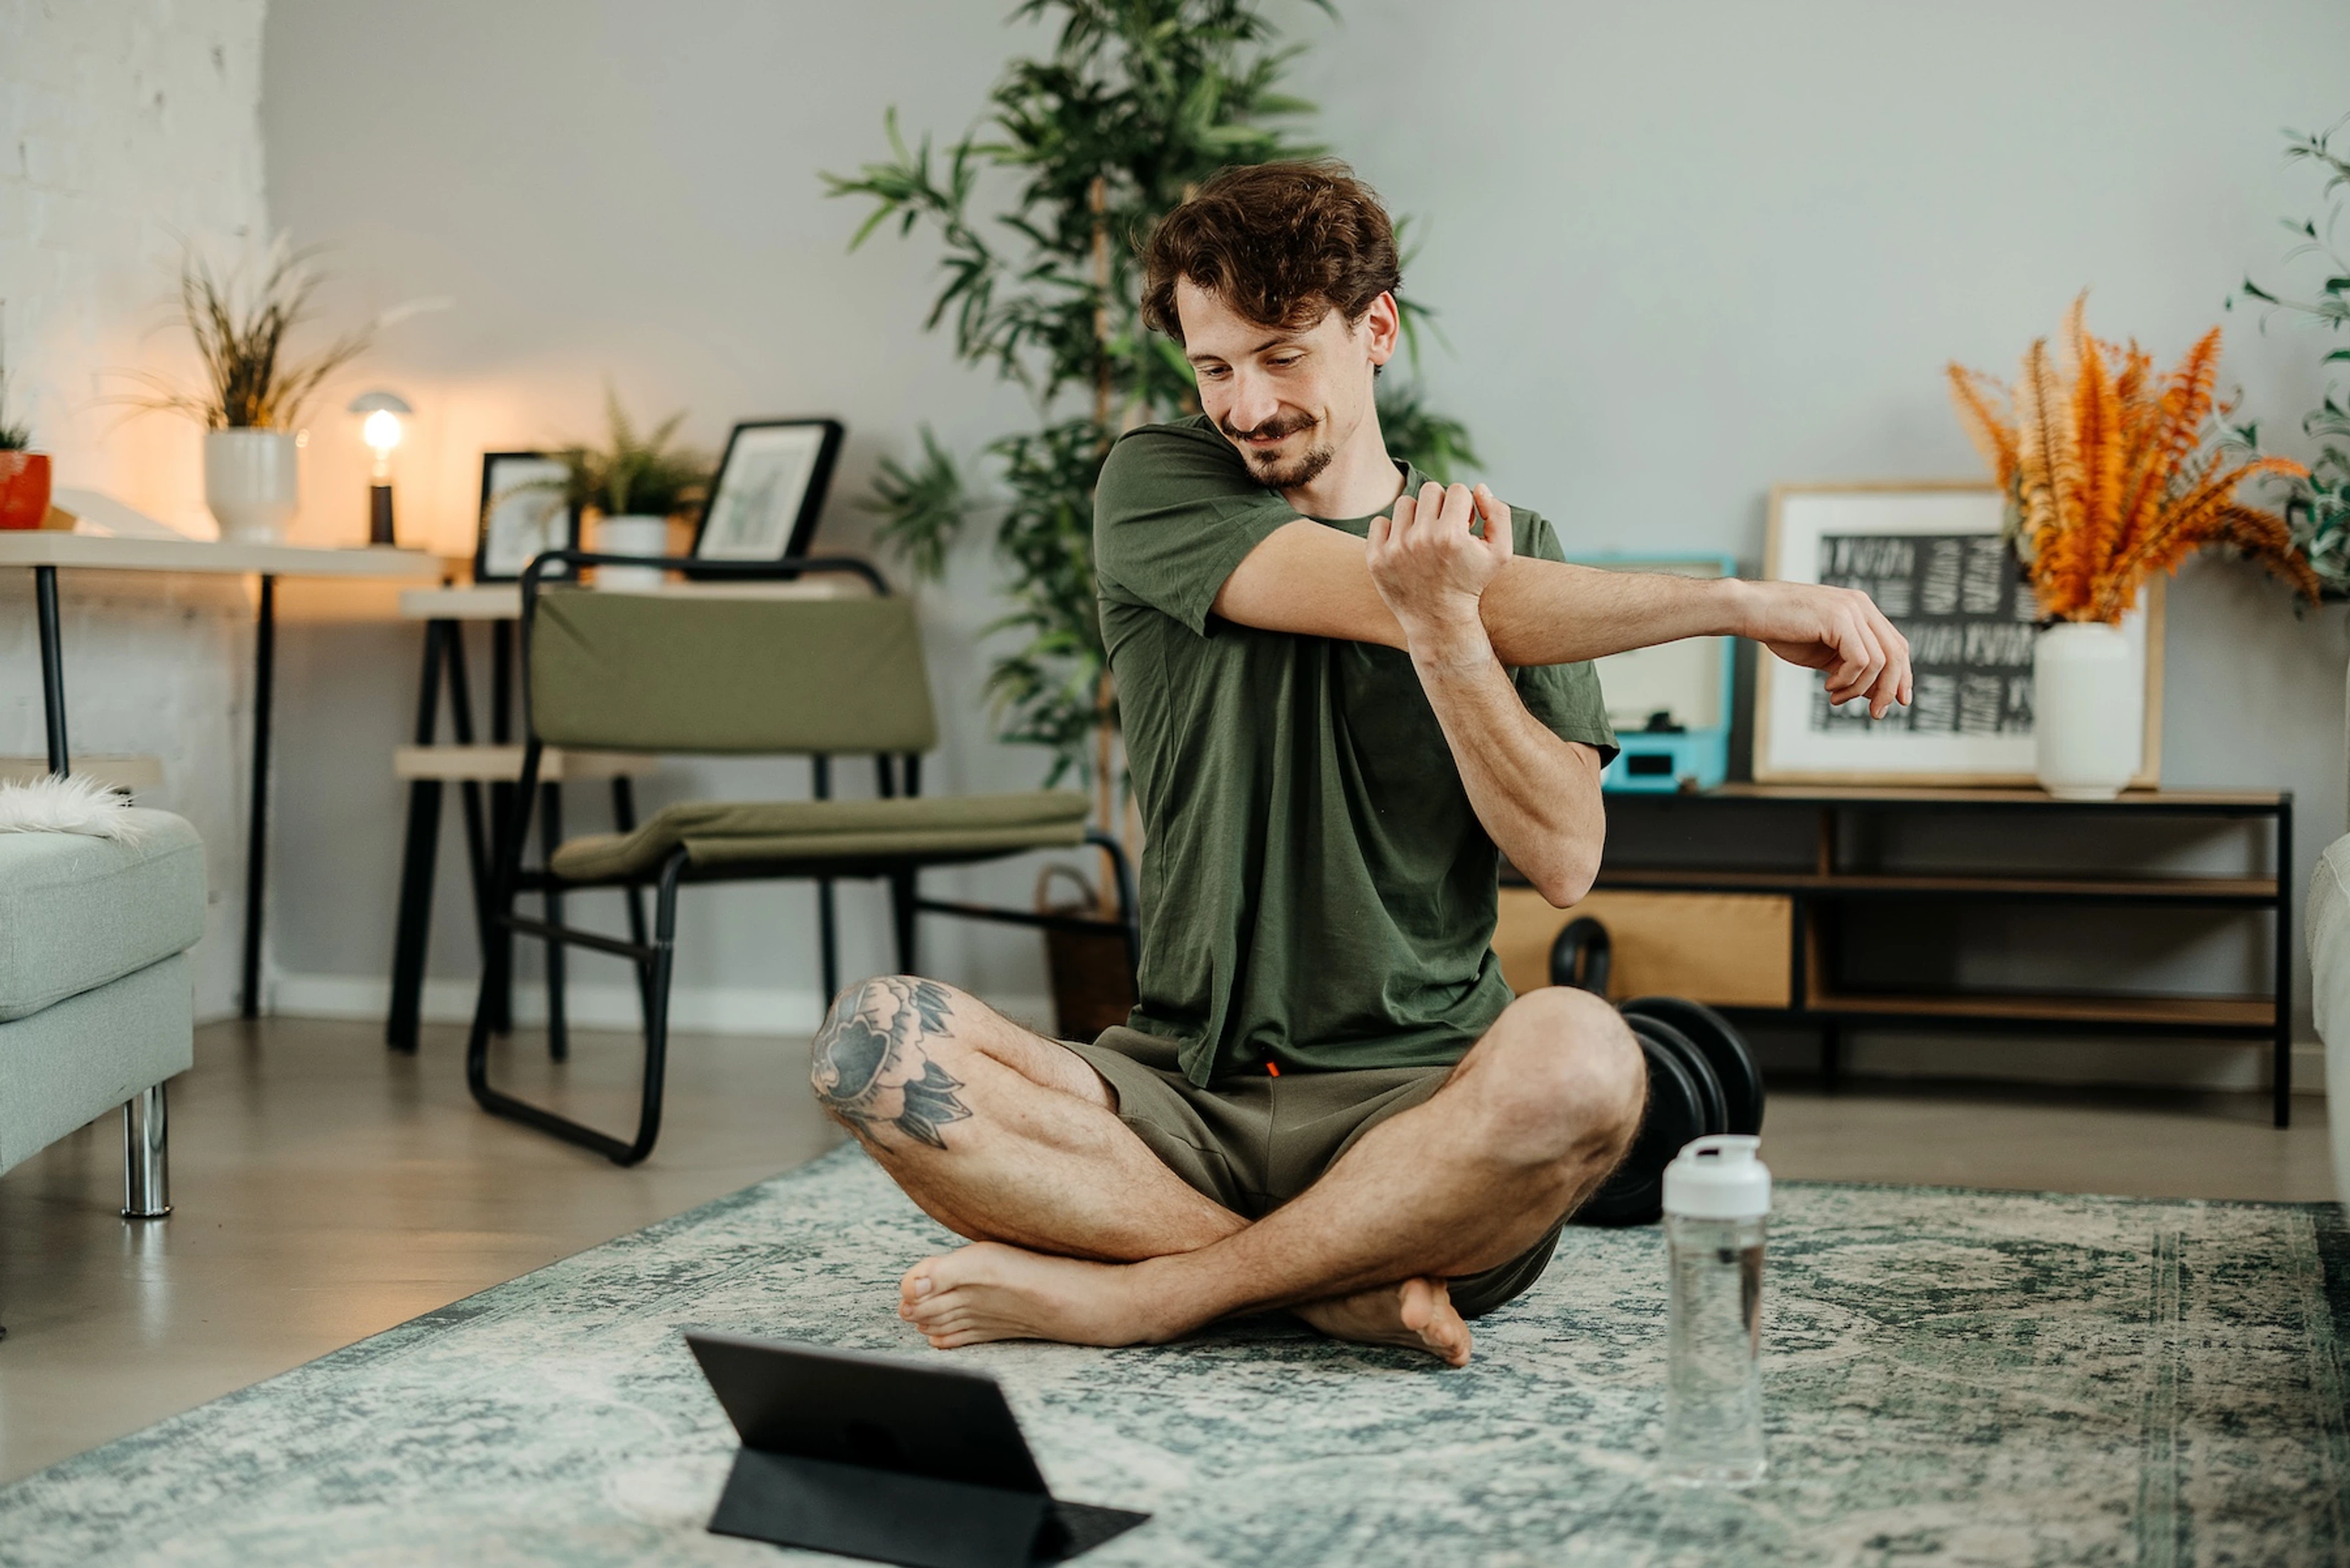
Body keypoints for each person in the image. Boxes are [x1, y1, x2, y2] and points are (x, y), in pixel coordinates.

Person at [810, 160, 1911, 1367]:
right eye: (1214, 365)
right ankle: (1330, 1288)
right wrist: (1746, 603)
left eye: (1282, 356)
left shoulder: (1519, 555)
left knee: (1593, 1059)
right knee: (876, 1041)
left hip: (1421, 1116)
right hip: (1178, 1092)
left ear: (1375, 328)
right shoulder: (1158, 483)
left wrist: (1449, 628)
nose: (1244, 404)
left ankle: (1155, 1294)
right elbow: (1361, 590)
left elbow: (1563, 858)